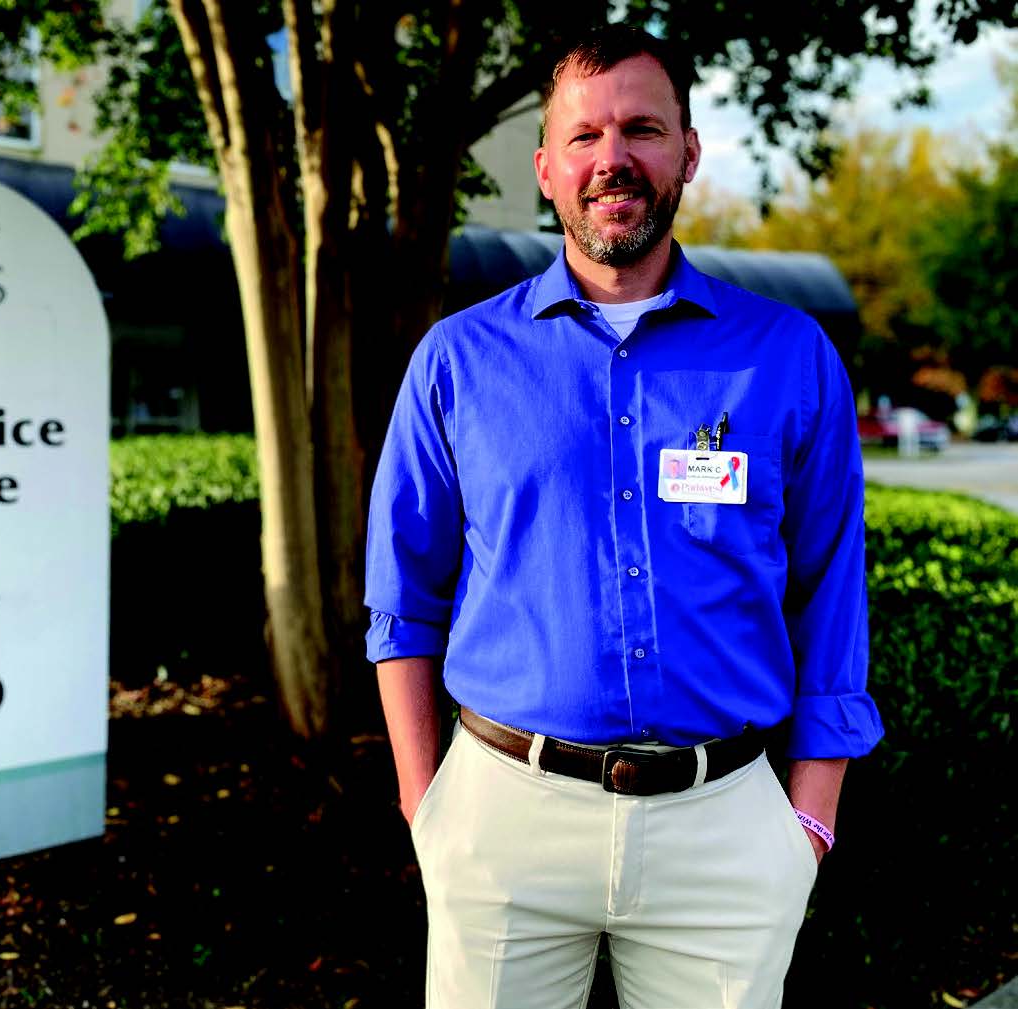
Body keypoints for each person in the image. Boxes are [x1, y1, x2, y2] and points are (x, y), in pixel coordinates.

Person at [364, 25, 883, 1009]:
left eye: (641, 129)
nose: (613, 159)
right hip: (500, 816)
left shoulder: (785, 353)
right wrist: (423, 803)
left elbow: (830, 598)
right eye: (584, 136)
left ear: (686, 152)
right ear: (546, 168)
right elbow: (402, 597)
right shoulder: (455, 361)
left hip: (724, 826)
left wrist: (804, 825)